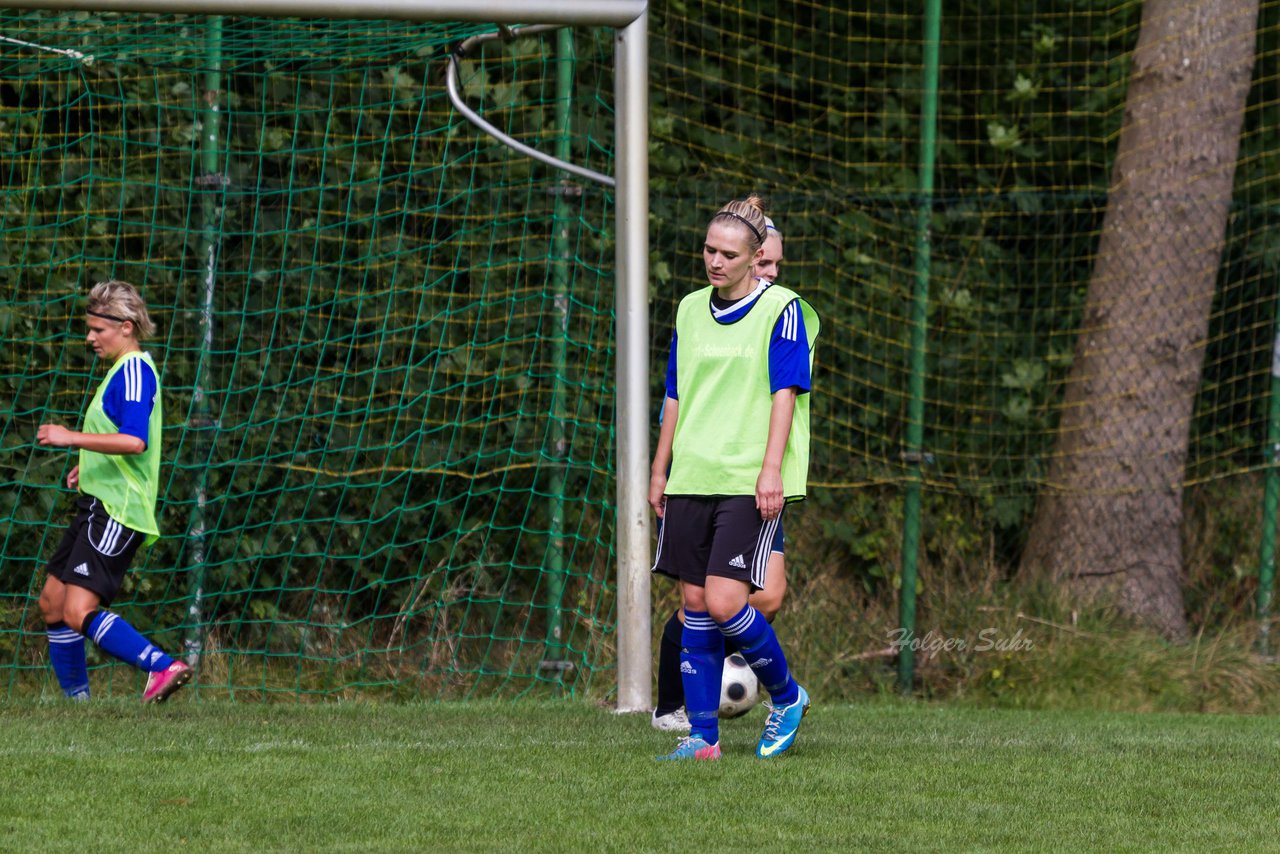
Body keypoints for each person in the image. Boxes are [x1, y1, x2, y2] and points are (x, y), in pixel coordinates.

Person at [650, 198, 818, 760]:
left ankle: (787, 697)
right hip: (691, 473)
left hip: (747, 476)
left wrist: (771, 470)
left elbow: (784, 394)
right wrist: (660, 467)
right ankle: (702, 739)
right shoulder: (691, 309)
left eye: (728, 254)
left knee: (728, 601)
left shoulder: (783, 309)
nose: (714, 262)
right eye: (708, 250)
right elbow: (675, 391)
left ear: (756, 259)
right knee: (694, 603)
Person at [36, 280, 192, 704]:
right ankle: (78, 708)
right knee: (53, 602)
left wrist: (71, 437)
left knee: (76, 609)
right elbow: (115, 440)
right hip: (96, 503)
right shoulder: (120, 373)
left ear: (126, 327)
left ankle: (163, 666)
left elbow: (134, 441)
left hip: (117, 510)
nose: (90, 338)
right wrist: (86, 464)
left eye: (97, 330)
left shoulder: (135, 371)